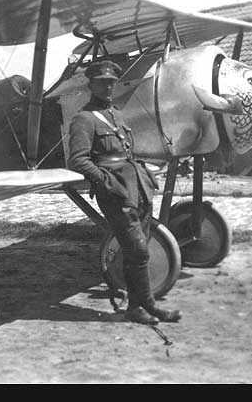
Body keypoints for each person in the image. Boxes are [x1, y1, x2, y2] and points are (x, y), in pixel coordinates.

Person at [67, 60, 181, 325]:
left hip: (137, 187)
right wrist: (105, 181)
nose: (108, 87)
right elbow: (78, 160)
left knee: (137, 251)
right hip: (115, 193)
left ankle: (137, 308)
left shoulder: (116, 114)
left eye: (111, 83)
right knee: (139, 251)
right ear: (91, 85)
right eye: (102, 83)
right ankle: (148, 306)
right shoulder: (84, 120)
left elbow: (126, 152)